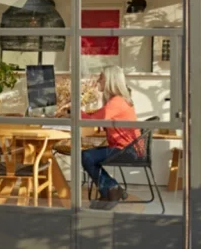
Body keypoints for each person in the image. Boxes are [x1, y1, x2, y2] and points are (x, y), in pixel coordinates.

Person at [57, 66, 140, 202]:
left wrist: (73, 110)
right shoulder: (119, 100)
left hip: (125, 150)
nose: (97, 80)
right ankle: (112, 190)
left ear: (109, 81)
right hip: (127, 147)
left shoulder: (116, 102)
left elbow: (91, 120)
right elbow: (98, 117)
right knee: (87, 155)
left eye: (100, 78)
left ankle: (112, 188)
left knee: (87, 156)